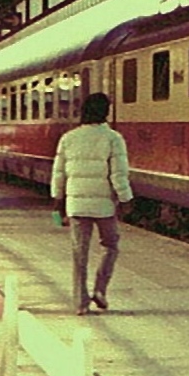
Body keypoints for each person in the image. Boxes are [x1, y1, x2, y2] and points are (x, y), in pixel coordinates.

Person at [50, 93, 134, 316]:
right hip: (104, 205)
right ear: (105, 112)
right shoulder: (113, 138)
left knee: (79, 254)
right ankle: (100, 290)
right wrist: (126, 199)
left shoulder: (68, 138)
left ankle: (80, 304)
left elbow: (58, 174)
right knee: (111, 245)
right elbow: (118, 174)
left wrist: (57, 201)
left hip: (76, 205)